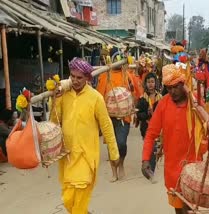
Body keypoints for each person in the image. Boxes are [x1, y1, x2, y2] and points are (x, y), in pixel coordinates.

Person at [50, 57, 120, 214]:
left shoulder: (96, 98)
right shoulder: (64, 95)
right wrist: (54, 99)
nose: (75, 80)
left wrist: (114, 151)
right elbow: (54, 122)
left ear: (88, 78)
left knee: (79, 204)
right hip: (67, 156)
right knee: (68, 201)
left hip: (87, 157)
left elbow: (106, 126)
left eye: (79, 77)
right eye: (72, 76)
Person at [141, 64, 206, 214]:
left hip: (193, 166)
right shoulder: (163, 103)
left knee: (189, 208)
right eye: (168, 88)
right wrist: (145, 159)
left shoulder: (195, 104)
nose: (172, 91)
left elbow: (206, 131)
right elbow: (151, 133)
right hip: (172, 169)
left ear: (183, 84)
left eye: (176, 87)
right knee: (179, 208)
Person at [96, 48, 134, 182]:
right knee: (112, 145)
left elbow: (133, 93)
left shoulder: (127, 75)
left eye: (119, 58)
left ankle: (121, 164)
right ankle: (114, 172)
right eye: (115, 59)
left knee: (121, 144)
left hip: (125, 116)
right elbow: (99, 97)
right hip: (109, 117)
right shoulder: (104, 76)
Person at [136, 72, 162, 172]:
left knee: (154, 148)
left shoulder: (160, 98)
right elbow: (138, 114)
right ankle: (149, 166)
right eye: (148, 82)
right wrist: (147, 114)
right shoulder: (142, 99)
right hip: (146, 127)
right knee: (150, 147)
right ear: (145, 84)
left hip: (158, 128)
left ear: (156, 83)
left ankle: (151, 168)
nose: (150, 84)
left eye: (152, 82)